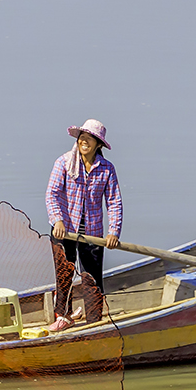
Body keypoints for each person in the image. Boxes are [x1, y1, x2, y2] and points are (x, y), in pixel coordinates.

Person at [46, 119, 123, 332]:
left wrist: (113, 232)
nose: (84, 141)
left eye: (90, 139)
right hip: (64, 231)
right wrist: (57, 220)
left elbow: (114, 201)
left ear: (98, 144)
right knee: (64, 275)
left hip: (93, 233)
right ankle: (63, 316)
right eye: (82, 138)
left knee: (91, 279)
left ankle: (94, 321)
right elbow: (51, 194)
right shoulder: (63, 163)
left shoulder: (106, 169)